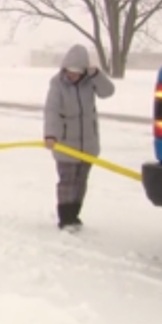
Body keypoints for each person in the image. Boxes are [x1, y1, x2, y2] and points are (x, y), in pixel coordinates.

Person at [43, 44, 115, 230]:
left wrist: (97, 75)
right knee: (67, 182)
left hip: (88, 142)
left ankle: (74, 215)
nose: (72, 75)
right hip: (65, 142)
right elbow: (52, 111)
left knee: (81, 182)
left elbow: (108, 92)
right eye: (69, 71)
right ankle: (65, 218)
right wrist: (50, 135)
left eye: (76, 72)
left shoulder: (90, 81)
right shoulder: (57, 83)